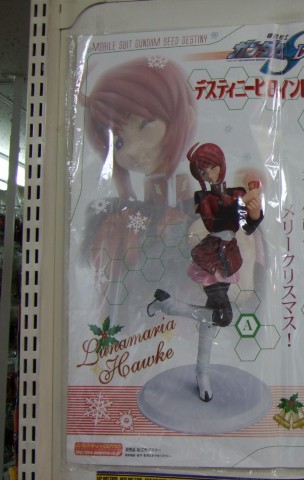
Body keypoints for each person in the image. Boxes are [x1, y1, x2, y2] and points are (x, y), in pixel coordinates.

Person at [147, 142, 264, 402]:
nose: (208, 173)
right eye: (202, 171)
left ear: (221, 164)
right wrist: (241, 203)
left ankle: (202, 372)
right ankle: (170, 306)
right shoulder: (204, 198)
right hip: (212, 255)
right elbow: (214, 222)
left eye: (211, 167)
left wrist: (255, 213)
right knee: (223, 316)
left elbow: (246, 227)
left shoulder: (236, 192)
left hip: (229, 255)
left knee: (209, 323)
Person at [82, 56, 196, 279]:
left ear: (185, 117)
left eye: (144, 123)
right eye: (118, 142)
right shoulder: (124, 215)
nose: (132, 150)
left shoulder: (190, 191)